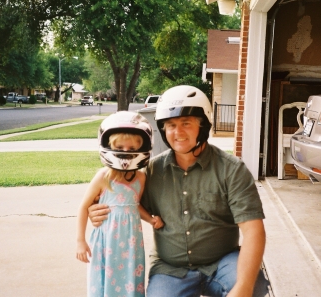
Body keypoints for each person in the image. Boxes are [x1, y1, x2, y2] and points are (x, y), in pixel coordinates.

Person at [88, 85, 266, 297]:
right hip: (170, 268)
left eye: (186, 123)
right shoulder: (152, 171)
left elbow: (254, 231)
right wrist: (97, 210)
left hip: (222, 262)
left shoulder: (232, 169)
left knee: (253, 287)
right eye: (170, 125)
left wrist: (244, 289)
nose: (177, 132)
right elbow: (125, 200)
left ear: (203, 125)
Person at [76, 111, 164, 297]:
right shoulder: (103, 177)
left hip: (130, 241)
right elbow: (84, 207)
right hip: (107, 241)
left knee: (129, 279)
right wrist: (80, 241)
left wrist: (151, 219)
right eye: (120, 147)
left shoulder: (140, 178)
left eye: (132, 148)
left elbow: (134, 205)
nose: (126, 152)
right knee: (105, 279)